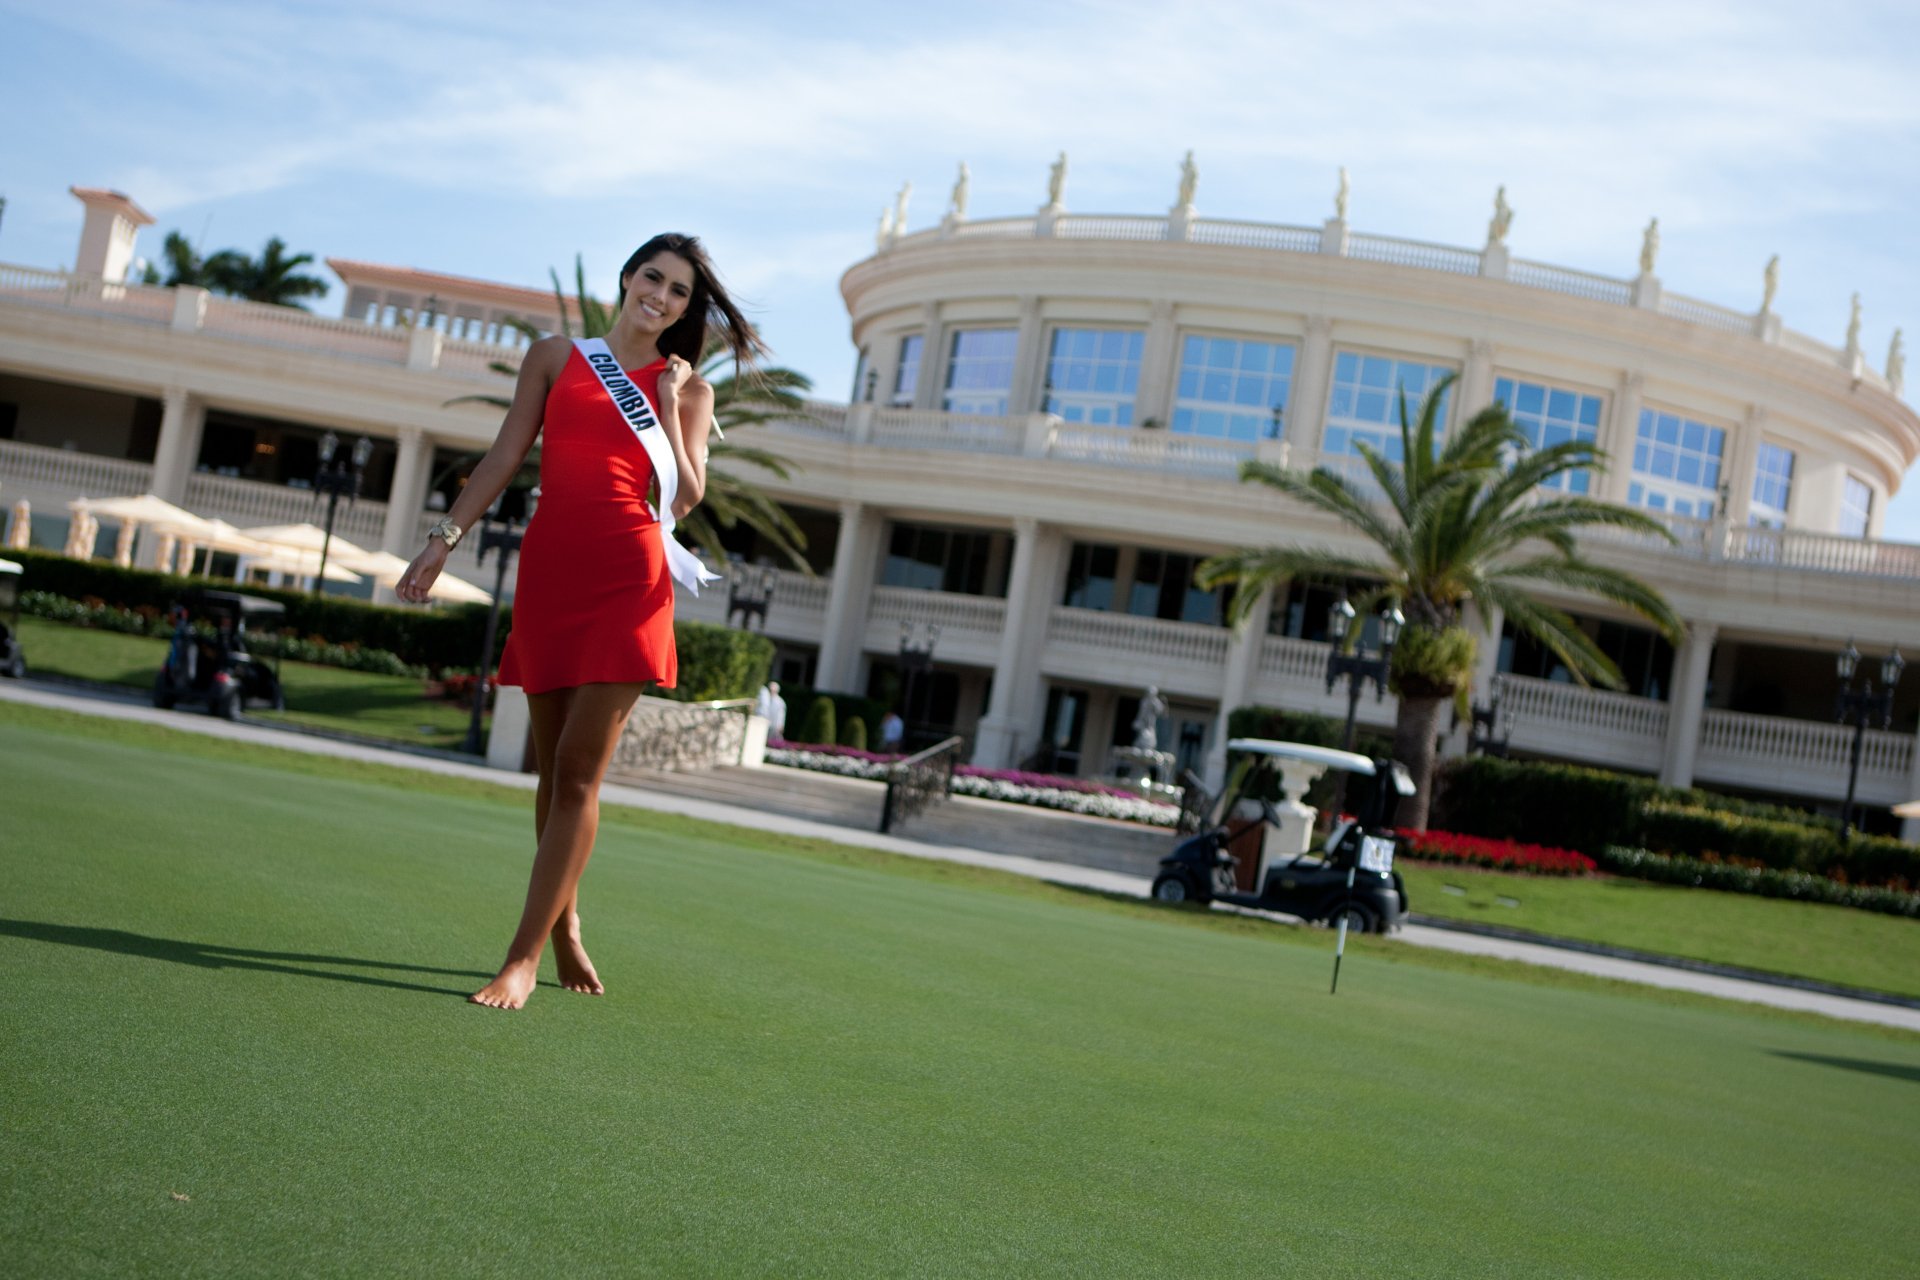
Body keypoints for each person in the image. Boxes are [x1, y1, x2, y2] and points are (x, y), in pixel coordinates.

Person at [397, 232, 766, 1010]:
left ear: (683, 310)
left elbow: (688, 496)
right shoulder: (554, 357)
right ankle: (564, 927)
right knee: (551, 767)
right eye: (653, 278)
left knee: (579, 776)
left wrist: (666, 406)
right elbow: (502, 456)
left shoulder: (687, 391)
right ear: (628, 277)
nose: (660, 297)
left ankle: (521, 958)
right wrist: (442, 543)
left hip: (630, 581)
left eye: (677, 293)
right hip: (551, 575)